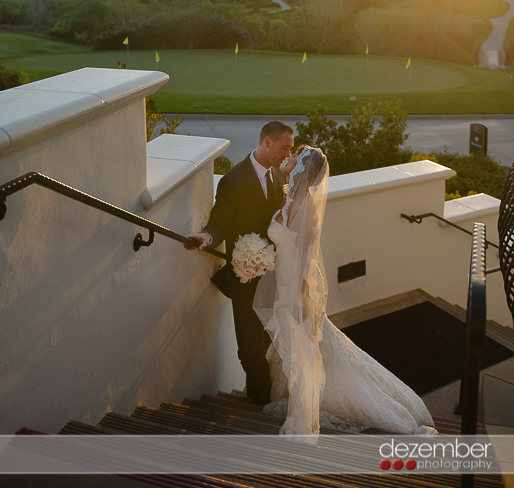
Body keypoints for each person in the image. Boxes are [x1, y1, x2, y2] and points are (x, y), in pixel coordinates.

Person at [253, 145, 437, 435]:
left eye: (294, 157)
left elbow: (303, 260)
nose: (286, 159)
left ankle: (318, 403)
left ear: (301, 168)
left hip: (295, 291)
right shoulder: (293, 199)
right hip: (284, 284)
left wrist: (301, 299)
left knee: (309, 348)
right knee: (302, 348)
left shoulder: (302, 207)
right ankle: (295, 394)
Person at [185, 120, 294, 405]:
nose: (287, 154)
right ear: (267, 142)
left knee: (269, 342)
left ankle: (266, 399)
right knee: (248, 350)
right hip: (244, 281)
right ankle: (261, 404)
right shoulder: (233, 180)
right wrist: (208, 236)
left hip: (272, 279)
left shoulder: (280, 178)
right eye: (284, 148)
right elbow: (219, 223)